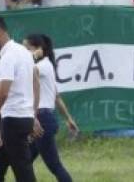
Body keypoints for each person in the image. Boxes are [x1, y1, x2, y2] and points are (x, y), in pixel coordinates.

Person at [0, 16, 42, 182]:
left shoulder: (9, 56)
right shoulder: (23, 52)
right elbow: (36, 84)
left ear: (0, 32)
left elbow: (2, 92)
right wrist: (33, 114)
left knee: (22, 169)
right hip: (22, 116)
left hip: (12, 118)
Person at [23, 34, 78, 182]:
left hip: (41, 120)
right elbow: (57, 97)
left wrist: (31, 57)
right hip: (42, 118)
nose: (23, 52)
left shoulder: (42, 66)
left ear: (38, 50)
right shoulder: (45, 65)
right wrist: (69, 119)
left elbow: (23, 71)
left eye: (26, 48)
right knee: (23, 162)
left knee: (54, 165)